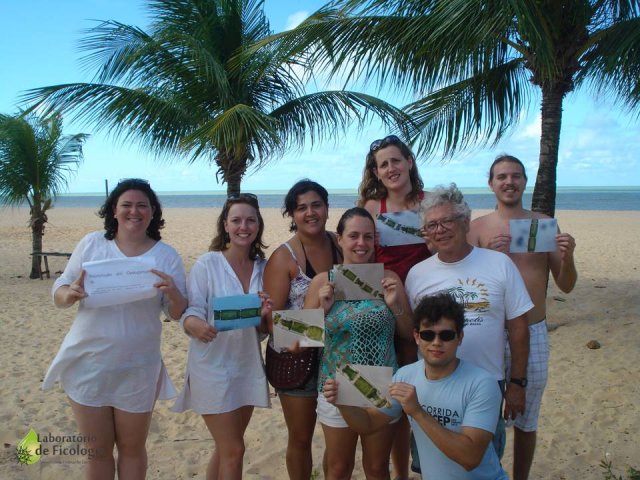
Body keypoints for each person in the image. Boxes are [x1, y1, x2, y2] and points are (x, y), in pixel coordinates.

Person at [43, 178, 188, 480]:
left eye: (142, 206)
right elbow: (60, 288)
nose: (134, 212)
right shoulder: (93, 244)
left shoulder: (166, 256)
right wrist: (68, 294)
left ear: (152, 212)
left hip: (138, 367)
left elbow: (176, 314)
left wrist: (173, 292)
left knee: (132, 449)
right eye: (126, 205)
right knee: (97, 454)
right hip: (88, 364)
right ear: (113, 210)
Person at [405, 183, 534, 460]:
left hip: (488, 384)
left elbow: (519, 328)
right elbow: (413, 333)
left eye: (447, 221)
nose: (440, 230)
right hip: (433, 385)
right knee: (433, 464)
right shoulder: (417, 275)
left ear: (466, 222)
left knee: (484, 463)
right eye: (432, 225)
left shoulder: (499, 264)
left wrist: (517, 384)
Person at [468, 155, 577, 480]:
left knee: (527, 419)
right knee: (483, 412)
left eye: (515, 176)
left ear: (525, 181)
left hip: (533, 329)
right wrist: (489, 257)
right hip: (487, 332)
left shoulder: (544, 224)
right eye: (501, 176)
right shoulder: (477, 228)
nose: (509, 182)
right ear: (491, 183)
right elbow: (466, 286)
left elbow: (566, 285)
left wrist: (568, 257)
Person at [323, 293, 509, 479]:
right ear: (417, 337)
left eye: (446, 335)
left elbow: (470, 457)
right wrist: (344, 404)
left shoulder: (482, 384)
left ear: (459, 337)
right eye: (428, 334)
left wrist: (418, 412)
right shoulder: (406, 375)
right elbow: (368, 424)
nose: (436, 342)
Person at [304, 207, 413, 480]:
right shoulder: (322, 281)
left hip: (381, 382)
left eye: (367, 236)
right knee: (339, 468)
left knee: (376, 468)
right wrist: (323, 310)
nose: (361, 243)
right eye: (353, 236)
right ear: (339, 239)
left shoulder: (389, 279)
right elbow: (301, 341)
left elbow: (409, 332)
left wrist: (395, 304)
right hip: (336, 384)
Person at [171, 193, 272, 480]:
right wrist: (195, 325)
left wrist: (265, 315)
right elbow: (192, 310)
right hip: (212, 367)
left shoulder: (263, 268)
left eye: (250, 220)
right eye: (236, 220)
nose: (244, 226)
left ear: (258, 225)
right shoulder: (208, 263)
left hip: (247, 365)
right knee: (234, 450)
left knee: (226, 448)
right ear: (225, 225)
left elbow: (263, 331)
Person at [358, 134, 431, 479]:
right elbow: (361, 257)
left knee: (427, 394)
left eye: (395, 161)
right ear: (376, 172)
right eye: (383, 164)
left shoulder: (430, 202)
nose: (391, 168)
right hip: (387, 309)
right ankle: (400, 474)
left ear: (409, 162)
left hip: (427, 306)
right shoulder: (373, 208)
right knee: (395, 397)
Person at [262, 179, 341, 479]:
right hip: (295, 359)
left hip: (336, 356)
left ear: (327, 207)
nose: (310, 213)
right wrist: (308, 331)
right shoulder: (284, 257)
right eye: (301, 208)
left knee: (337, 439)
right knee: (301, 438)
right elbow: (273, 322)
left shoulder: (340, 243)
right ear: (292, 215)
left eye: (316, 205)